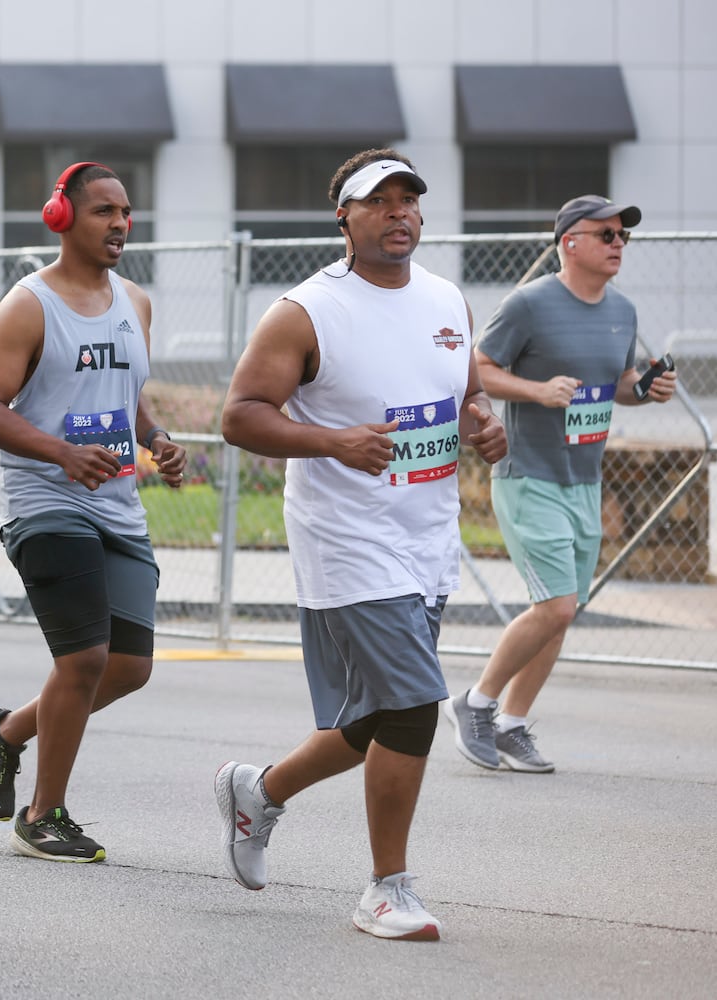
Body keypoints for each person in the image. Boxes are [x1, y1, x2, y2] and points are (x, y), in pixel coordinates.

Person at [212, 150, 506, 940]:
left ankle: (260, 790)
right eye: (378, 201)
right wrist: (332, 441)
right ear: (342, 216)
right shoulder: (305, 310)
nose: (398, 212)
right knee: (413, 704)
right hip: (345, 539)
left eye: (408, 199)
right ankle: (386, 889)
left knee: (379, 716)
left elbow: (463, 386)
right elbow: (240, 414)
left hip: (426, 536)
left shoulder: (446, 298)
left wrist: (482, 417)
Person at [0, 162, 186, 864]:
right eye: (102, 212)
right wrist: (59, 453)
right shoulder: (28, 305)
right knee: (84, 657)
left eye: (125, 212)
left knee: (128, 667)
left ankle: (5, 734)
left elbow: (123, 390)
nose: (120, 224)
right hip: (42, 500)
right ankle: (43, 814)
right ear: (62, 218)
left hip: (115, 503)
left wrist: (154, 439)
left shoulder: (136, 302)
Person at [445, 196, 677, 774]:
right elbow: (479, 369)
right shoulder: (529, 304)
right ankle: (474, 703)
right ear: (569, 243)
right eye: (606, 234)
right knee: (555, 607)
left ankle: (512, 724)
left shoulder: (622, 310)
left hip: (584, 481)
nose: (618, 243)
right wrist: (536, 390)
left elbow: (619, 383)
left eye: (623, 236)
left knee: (562, 613)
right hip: (529, 475)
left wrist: (646, 388)